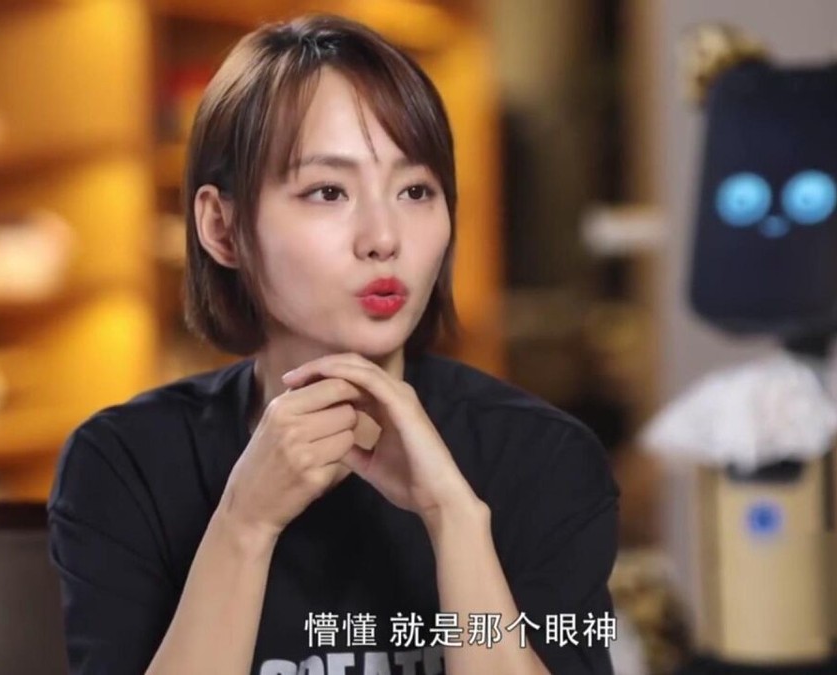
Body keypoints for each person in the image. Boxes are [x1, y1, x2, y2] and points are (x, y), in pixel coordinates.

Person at [47, 13, 620, 675]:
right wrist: (244, 523)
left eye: (415, 190)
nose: (384, 237)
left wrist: (454, 518)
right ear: (222, 227)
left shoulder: (543, 455)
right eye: (327, 191)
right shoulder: (126, 464)